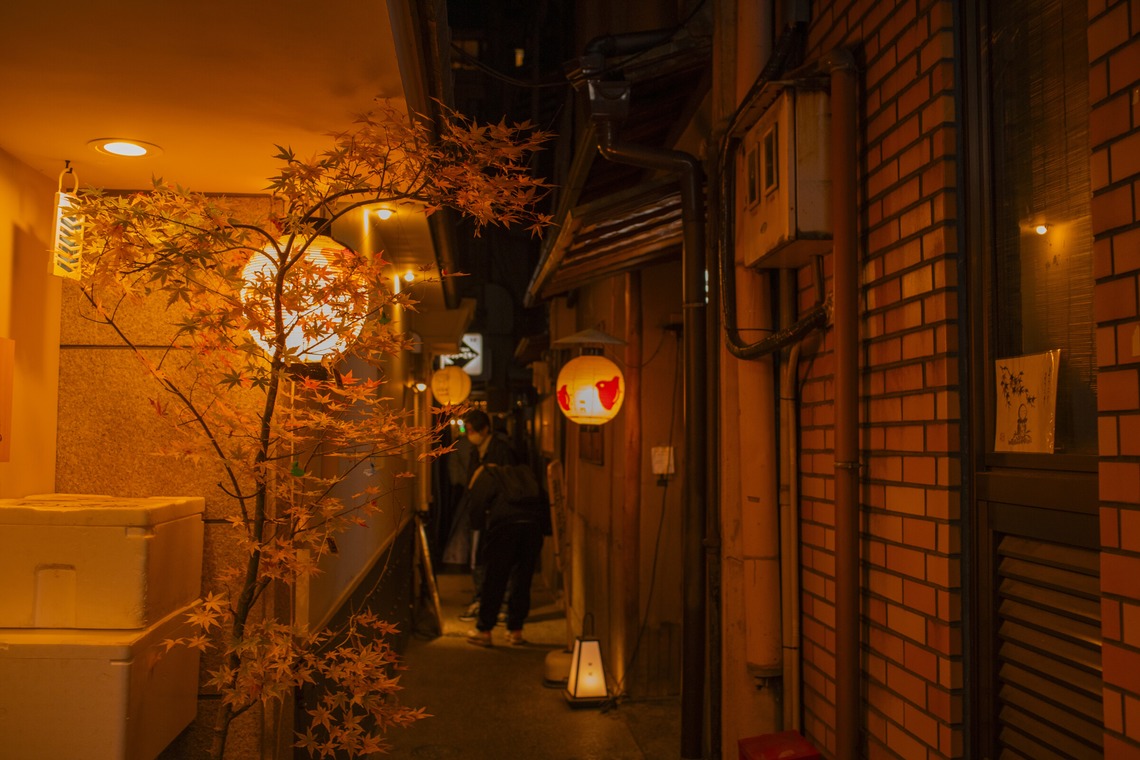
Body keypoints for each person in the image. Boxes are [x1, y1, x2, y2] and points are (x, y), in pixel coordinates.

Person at [464, 462, 546, 647]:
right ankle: (515, 630)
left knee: (494, 578)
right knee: (522, 579)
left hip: (504, 528)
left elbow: (476, 504)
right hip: (532, 527)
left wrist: (477, 525)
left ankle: (484, 630)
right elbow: (543, 498)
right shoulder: (524, 473)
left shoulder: (485, 475)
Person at [456, 410, 516, 621]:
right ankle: (481, 599)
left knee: (501, 557)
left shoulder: (501, 450)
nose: (469, 434)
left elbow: (508, 480)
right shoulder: (476, 451)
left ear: (484, 429)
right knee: (478, 558)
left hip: (500, 513)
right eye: (468, 430)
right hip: (479, 512)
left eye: (472, 430)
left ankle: (503, 604)